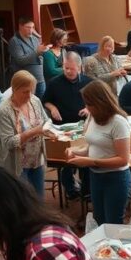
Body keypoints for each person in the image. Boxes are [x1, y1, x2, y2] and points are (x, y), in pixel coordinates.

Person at [65, 81, 131, 226]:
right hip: (96, 176)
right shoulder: (92, 117)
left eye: (89, 104)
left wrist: (91, 161)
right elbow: (92, 146)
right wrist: (75, 151)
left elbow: (123, 159)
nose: (87, 108)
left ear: (100, 102)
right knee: (99, 220)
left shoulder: (118, 122)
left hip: (115, 177)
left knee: (113, 221)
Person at [42, 52, 91, 200]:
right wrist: (52, 108)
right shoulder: (54, 83)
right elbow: (46, 100)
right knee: (66, 161)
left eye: (72, 68)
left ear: (80, 68)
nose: (68, 71)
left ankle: (86, 190)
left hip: (82, 128)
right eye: (65, 68)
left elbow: (96, 102)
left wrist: (89, 108)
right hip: (62, 129)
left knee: (85, 158)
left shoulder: (89, 82)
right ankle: (70, 189)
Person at [0, 71, 50, 198]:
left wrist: (55, 131)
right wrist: (35, 131)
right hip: (17, 166)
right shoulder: (4, 111)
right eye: (25, 92)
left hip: (36, 161)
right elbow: (9, 143)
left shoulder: (35, 101)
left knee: (39, 201)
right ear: (14, 89)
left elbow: (46, 121)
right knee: (23, 203)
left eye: (32, 91)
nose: (29, 95)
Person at [9, 17, 50, 98]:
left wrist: (44, 51)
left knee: (41, 104)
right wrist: (37, 52)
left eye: (32, 27)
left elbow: (39, 56)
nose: (31, 30)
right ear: (20, 26)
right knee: (28, 104)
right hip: (26, 82)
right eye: (28, 27)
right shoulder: (15, 41)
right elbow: (20, 60)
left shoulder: (35, 39)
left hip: (40, 79)